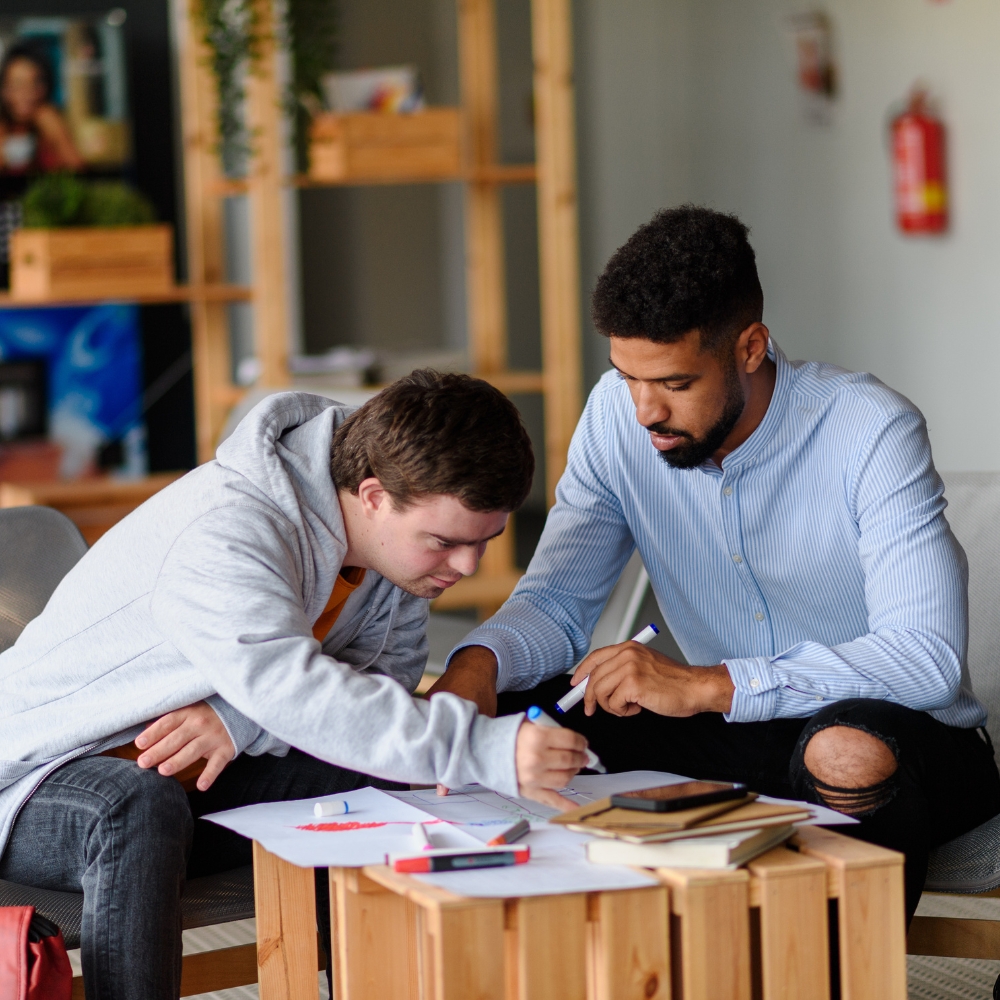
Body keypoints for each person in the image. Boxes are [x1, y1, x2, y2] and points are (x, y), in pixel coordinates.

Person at [429, 206, 1000, 920]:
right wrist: (470, 671)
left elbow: (925, 660)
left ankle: (830, 976)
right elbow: (555, 603)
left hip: (903, 737)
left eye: (673, 383)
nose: (644, 412)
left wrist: (709, 684)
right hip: (729, 738)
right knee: (515, 718)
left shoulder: (870, 429)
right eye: (628, 378)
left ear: (751, 347)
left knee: (844, 749)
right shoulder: (615, 418)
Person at [0, 372, 589, 1000]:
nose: (467, 567)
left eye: (485, 542)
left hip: (193, 774)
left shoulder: (397, 564)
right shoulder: (232, 528)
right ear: (373, 495)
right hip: (37, 780)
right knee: (135, 804)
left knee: (389, 772)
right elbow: (296, 689)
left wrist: (238, 718)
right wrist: (486, 748)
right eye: (445, 542)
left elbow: (368, 693)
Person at [0, 42, 84, 174]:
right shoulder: (4, 127)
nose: (26, 94)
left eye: (35, 84)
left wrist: (57, 134)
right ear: (4, 89)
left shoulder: (50, 122)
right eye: (17, 85)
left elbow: (80, 172)